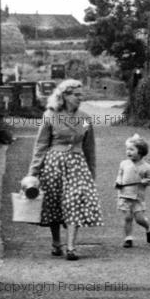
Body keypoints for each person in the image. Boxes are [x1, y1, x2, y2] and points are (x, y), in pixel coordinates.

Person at [27, 78, 103, 260]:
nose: (80, 98)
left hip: (77, 165)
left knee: (74, 202)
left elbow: (89, 147)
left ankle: (71, 247)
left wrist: (91, 172)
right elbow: (41, 145)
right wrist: (33, 173)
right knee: (54, 203)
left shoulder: (85, 119)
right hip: (53, 165)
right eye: (76, 95)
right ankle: (56, 243)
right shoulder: (50, 115)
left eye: (81, 95)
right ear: (65, 96)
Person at [115, 133, 150, 248]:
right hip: (124, 195)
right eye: (127, 149)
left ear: (141, 151)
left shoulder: (147, 167)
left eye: (132, 149)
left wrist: (146, 181)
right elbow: (120, 175)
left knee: (139, 219)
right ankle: (128, 238)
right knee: (127, 217)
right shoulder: (124, 164)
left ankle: (148, 227)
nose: (128, 152)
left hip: (137, 197)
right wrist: (118, 182)